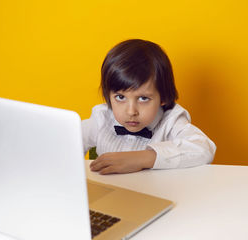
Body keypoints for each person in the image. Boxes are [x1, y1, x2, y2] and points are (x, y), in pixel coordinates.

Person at [82, 39, 216, 175]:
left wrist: (142, 158)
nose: (131, 111)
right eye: (120, 97)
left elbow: (204, 148)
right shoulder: (101, 118)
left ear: (163, 97)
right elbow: (67, 143)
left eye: (143, 98)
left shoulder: (171, 121)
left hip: (157, 193)